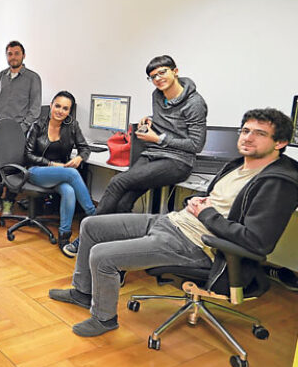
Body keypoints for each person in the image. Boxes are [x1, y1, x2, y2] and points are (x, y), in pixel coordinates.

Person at [49, 108, 298, 338]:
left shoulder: (277, 183)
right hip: (173, 222)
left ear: (280, 143)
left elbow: (257, 241)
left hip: (196, 244)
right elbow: (215, 201)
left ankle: (104, 319)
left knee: (102, 256)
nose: (248, 138)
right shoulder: (237, 166)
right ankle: (82, 292)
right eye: (245, 130)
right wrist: (198, 202)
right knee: (91, 225)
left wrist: (206, 214)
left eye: (260, 133)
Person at [64, 55, 208, 256]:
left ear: (175, 72)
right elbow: (169, 123)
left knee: (118, 182)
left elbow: (196, 145)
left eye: (162, 72)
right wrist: (150, 120)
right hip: (153, 154)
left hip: (178, 161)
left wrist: (158, 138)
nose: (158, 79)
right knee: (124, 201)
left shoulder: (195, 103)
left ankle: (85, 239)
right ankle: (117, 252)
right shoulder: (158, 95)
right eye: (153, 76)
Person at [23, 91, 96, 256]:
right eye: (57, 106)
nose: (60, 111)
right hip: (36, 170)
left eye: (65, 108)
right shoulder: (37, 126)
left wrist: (79, 158)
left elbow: (85, 148)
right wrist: (50, 164)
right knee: (72, 174)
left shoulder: (72, 126)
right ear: (51, 106)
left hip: (60, 172)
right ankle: (94, 216)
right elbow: (28, 155)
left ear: (69, 111)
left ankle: (64, 236)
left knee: (69, 191)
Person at [0, 41, 42, 215]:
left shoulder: (33, 78)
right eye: (10, 53)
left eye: (16, 53)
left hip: (18, 132)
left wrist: (22, 128)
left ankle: (9, 201)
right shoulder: (0, 77)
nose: (13, 57)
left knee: (13, 167)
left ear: (23, 55)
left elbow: (35, 109)